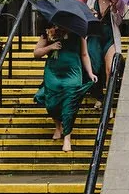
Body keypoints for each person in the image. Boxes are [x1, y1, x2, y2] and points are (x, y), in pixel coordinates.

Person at [33, 22, 96, 153]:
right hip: (53, 72)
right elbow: (36, 53)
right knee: (51, 102)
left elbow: (84, 54)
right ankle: (58, 126)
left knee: (69, 104)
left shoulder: (79, 33)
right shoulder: (48, 33)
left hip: (72, 73)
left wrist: (90, 72)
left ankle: (67, 137)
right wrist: (50, 47)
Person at [88, 0, 125, 93]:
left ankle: (108, 101)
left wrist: (114, 10)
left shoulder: (118, 1)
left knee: (110, 68)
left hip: (109, 37)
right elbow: (86, 16)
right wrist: (92, 14)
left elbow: (118, 22)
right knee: (95, 66)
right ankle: (98, 96)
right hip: (94, 36)